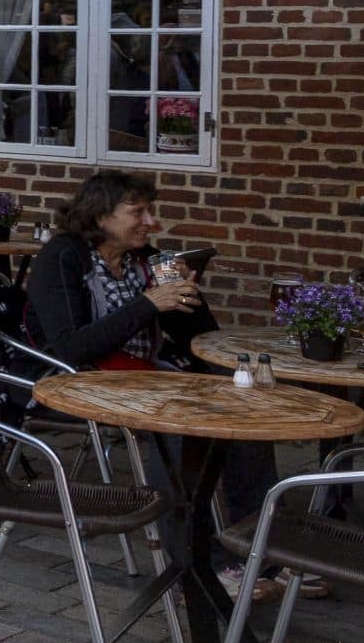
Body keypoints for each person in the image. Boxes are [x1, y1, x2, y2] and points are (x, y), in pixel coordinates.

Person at [24, 171, 283, 599]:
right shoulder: (62, 257)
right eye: (138, 212)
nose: (151, 222)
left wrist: (185, 296)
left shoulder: (149, 259)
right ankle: (199, 566)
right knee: (177, 423)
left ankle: (262, 554)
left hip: (150, 372)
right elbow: (69, 346)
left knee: (245, 402)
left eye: (150, 210)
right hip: (79, 380)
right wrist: (149, 304)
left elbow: (201, 337)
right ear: (101, 214)